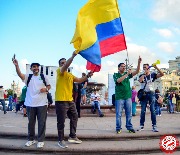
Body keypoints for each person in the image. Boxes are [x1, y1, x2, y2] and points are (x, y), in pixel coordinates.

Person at [55, 51, 93, 149]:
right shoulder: (60, 71)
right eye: (62, 63)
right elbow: (66, 65)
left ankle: (72, 136)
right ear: (59, 65)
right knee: (61, 121)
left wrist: (87, 76)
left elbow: (80, 80)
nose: (64, 64)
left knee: (75, 116)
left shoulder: (70, 75)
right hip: (61, 101)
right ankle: (60, 140)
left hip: (70, 100)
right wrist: (72, 56)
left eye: (64, 62)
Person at [13, 59, 51, 148]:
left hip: (42, 103)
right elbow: (20, 74)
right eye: (34, 67)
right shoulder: (28, 77)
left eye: (37, 66)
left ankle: (41, 140)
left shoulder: (43, 76)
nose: (36, 68)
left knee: (42, 122)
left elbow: (49, 86)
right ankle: (31, 139)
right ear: (31, 69)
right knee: (31, 123)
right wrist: (16, 65)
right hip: (30, 103)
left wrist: (46, 89)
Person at [113, 56, 141, 134]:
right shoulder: (116, 75)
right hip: (119, 97)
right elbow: (118, 81)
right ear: (118, 68)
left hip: (128, 96)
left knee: (129, 113)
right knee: (118, 114)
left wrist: (139, 62)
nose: (123, 67)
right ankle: (118, 128)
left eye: (124, 66)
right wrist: (127, 74)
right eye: (122, 66)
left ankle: (129, 127)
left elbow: (137, 71)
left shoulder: (127, 74)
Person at [137, 63, 164, 132]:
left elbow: (162, 74)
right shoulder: (141, 75)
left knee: (153, 110)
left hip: (151, 93)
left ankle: (154, 126)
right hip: (144, 94)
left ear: (149, 68)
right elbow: (140, 81)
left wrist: (156, 67)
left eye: (146, 67)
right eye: (143, 67)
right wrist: (144, 74)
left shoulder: (153, 74)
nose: (144, 69)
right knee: (143, 111)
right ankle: (141, 125)